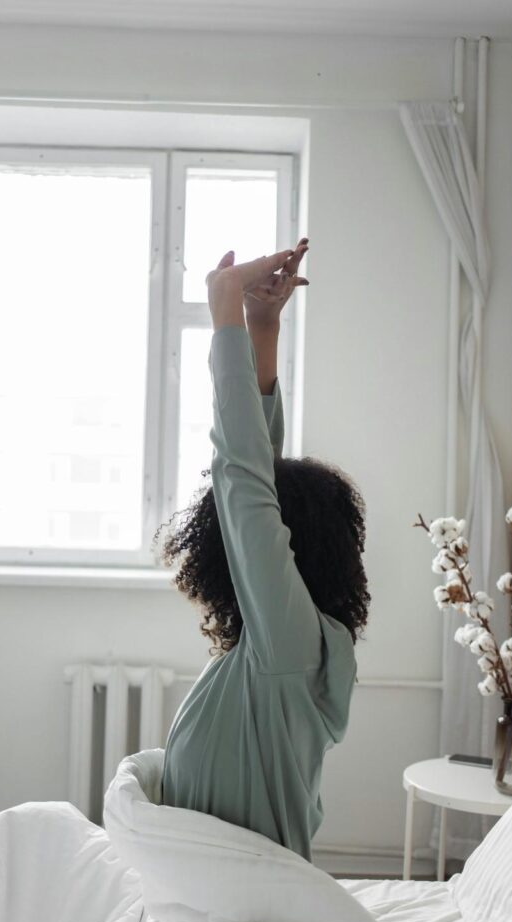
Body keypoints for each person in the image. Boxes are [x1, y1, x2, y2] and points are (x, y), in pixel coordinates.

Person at [154, 241, 370, 862]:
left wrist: (224, 314)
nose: (236, 527)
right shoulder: (289, 641)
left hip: (233, 901)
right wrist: (263, 330)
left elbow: (247, 483)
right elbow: (260, 480)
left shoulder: (290, 642)